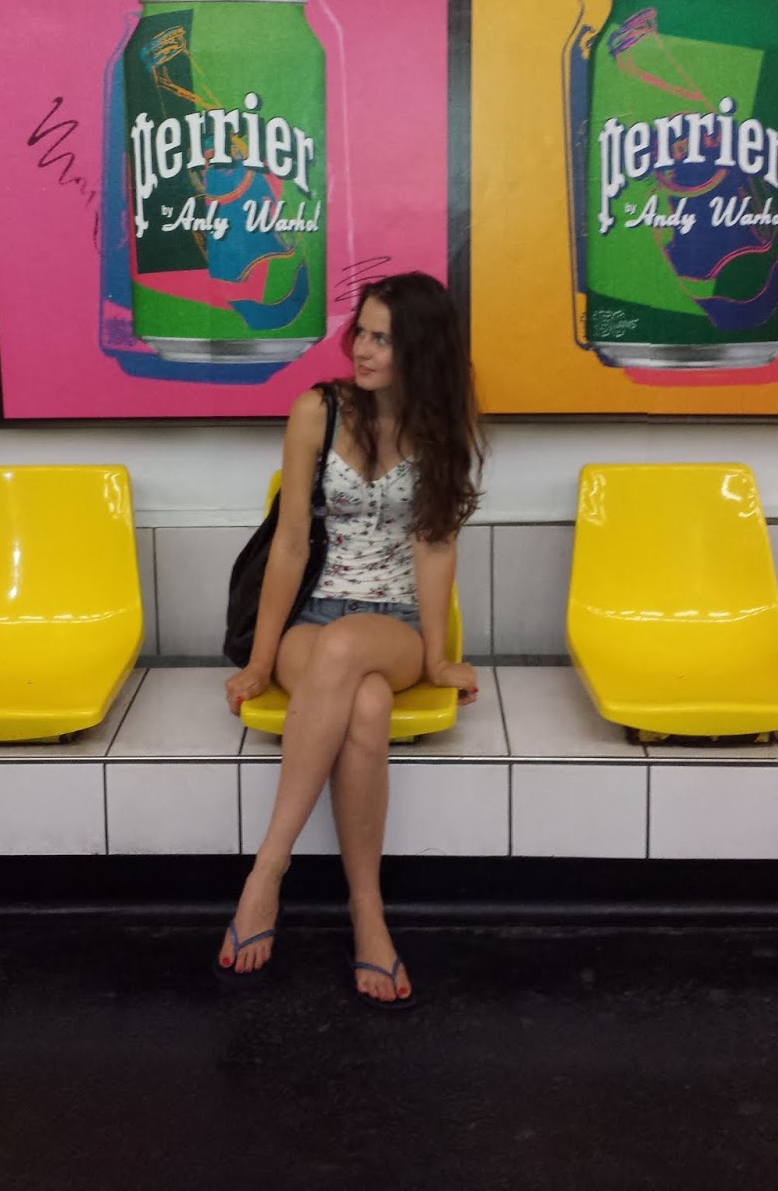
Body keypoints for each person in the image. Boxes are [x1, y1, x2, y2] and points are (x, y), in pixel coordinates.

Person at [218, 271, 484, 1004]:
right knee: (364, 705)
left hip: (393, 624)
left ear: (420, 351)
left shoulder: (441, 428)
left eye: (382, 339)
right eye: (360, 332)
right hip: (312, 617)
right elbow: (290, 544)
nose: (361, 349)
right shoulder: (318, 411)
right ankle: (369, 916)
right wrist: (261, 662)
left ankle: (266, 870)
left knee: (348, 656)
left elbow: (434, 546)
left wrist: (437, 658)